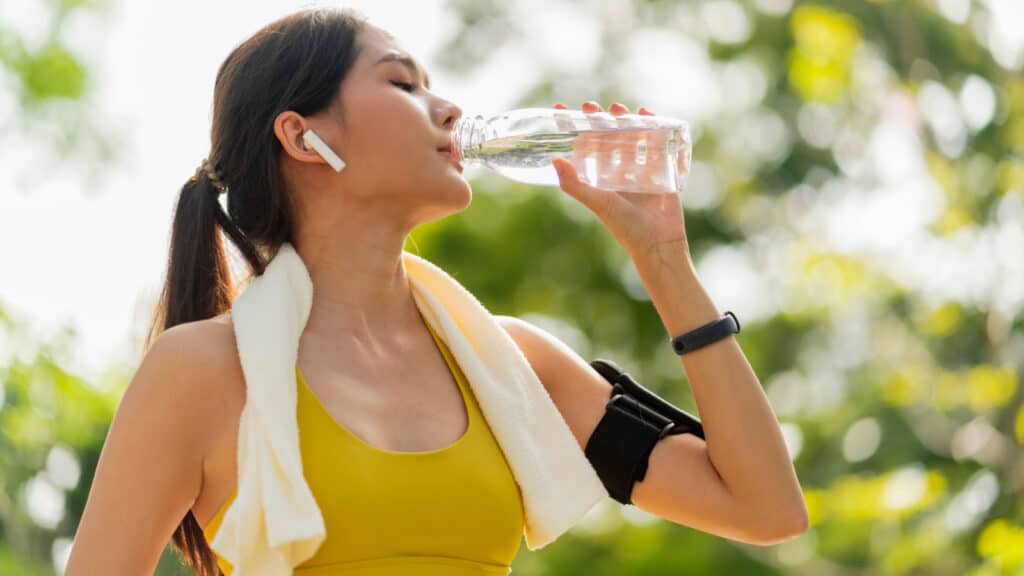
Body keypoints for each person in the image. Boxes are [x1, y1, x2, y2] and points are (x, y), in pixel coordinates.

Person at [66, 6, 807, 576]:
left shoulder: (514, 366)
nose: (449, 109)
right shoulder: (200, 373)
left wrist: (664, 262)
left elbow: (765, 508)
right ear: (303, 137)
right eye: (402, 83)